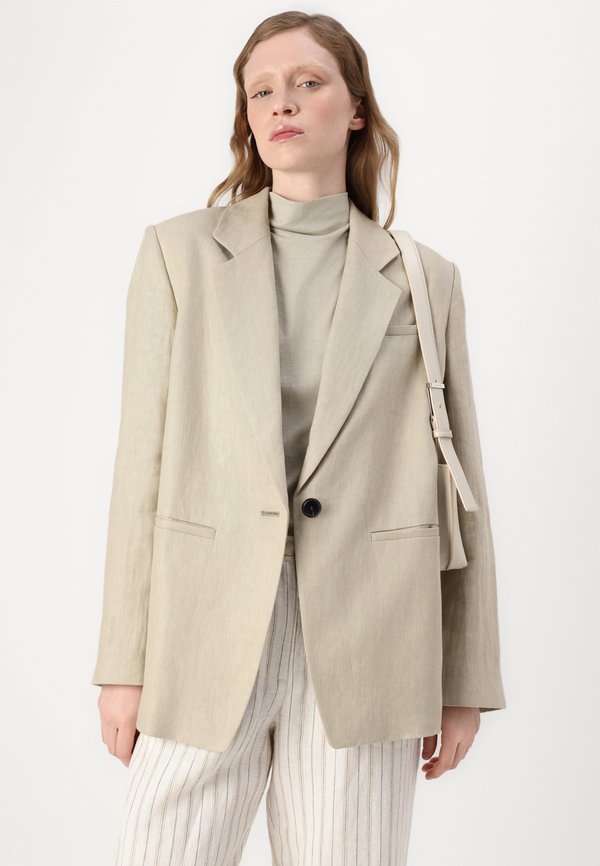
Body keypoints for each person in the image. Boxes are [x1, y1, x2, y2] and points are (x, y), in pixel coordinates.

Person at [92, 11, 507, 866]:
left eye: (307, 82)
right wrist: (122, 664)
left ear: (355, 108)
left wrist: (464, 681)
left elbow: (461, 487)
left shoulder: (424, 278)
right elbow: (141, 468)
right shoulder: (178, 255)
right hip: (203, 627)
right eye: (261, 91)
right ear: (248, 118)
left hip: (373, 633)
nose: (281, 103)